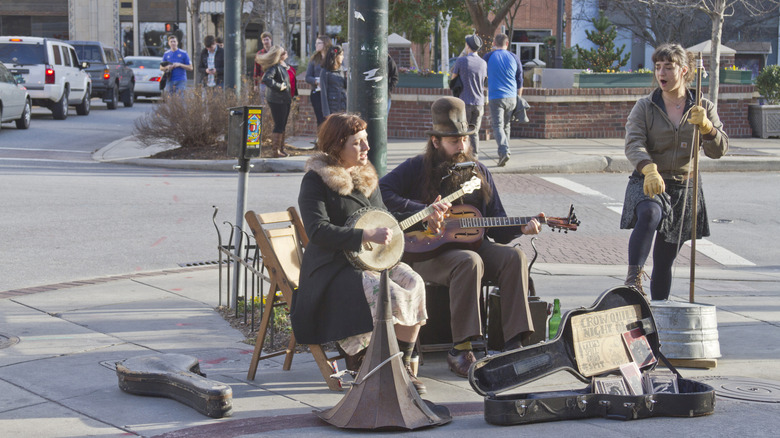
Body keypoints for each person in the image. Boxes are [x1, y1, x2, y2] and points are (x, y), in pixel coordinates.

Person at [380, 97, 543, 378]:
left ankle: (514, 343)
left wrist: (521, 229)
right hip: (425, 253)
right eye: (454, 141)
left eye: (465, 140)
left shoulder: (478, 172)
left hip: (473, 247)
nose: (461, 147)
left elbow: (497, 227)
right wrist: (423, 210)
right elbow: (382, 192)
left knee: (514, 256)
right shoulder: (416, 168)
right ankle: (461, 349)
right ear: (435, 141)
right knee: (468, 262)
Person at [292, 113, 431, 394]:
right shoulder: (316, 181)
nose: (367, 148)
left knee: (413, 282)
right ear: (336, 146)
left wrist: (426, 217)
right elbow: (317, 231)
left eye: (366, 141)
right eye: (358, 143)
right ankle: (365, 362)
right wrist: (365, 235)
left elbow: (388, 219)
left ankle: (401, 364)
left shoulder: (366, 177)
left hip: (371, 261)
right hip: (332, 269)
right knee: (383, 291)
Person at [621, 43, 728, 301]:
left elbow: (719, 149)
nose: (661, 73)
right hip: (649, 180)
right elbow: (633, 142)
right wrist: (649, 169)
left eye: (668, 67)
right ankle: (633, 280)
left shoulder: (703, 106)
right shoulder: (645, 106)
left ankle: (657, 313)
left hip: (684, 187)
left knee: (664, 261)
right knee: (649, 212)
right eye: (658, 67)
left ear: (684, 70)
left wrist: (707, 128)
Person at [484, 33, 523, 167]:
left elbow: (482, 75)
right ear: (507, 44)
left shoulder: (489, 57)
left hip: (496, 96)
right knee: (506, 125)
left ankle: (504, 150)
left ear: (494, 43)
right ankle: (506, 150)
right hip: (512, 96)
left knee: (497, 126)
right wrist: (519, 97)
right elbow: (520, 80)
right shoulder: (514, 57)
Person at [451, 34, 487, 159]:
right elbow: (483, 80)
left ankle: (464, 156)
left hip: (464, 101)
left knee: (463, 132)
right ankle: (475, 157)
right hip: (479, 102)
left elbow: (453, 78)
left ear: (468, 46)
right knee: (474, 132)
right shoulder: (483, 63)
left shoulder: (461, 61)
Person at [257, 45, 297, 158]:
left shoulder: (284, 66)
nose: (286, 53)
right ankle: (275, 151)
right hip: (277, 99)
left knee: (282, 124)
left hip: (285, 99)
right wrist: (279, 86)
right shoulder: (274, 67)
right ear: (279, 55)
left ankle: (281, 149)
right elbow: (266, 79)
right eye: (284, 52)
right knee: (279, 124)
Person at [305, 36, 331, 126]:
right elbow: (307, 77)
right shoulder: (314, 59)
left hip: (330, 92)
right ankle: (321, 138)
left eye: (318, 43)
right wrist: (316, 81)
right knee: (320, 119)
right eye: (315, 43)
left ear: (325, 44)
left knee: (331, 119)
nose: (316, 45)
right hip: (317, 92)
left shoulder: (333, 57)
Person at [319, 45, 347, 118]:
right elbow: (323, 93)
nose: (343, 57)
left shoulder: (341, 69)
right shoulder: (325, 72)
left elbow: (345, 86)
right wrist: (326, 113)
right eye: (341, 55)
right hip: (333, 107)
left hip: (343, 105)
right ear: (335, 56)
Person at [253, 31, 273, 99]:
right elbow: (256, 69)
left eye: (267, 39)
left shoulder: (275, 52)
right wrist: (255, 84)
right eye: (264, 40)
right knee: (263, 103)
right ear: (262, 41)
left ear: (271, 39)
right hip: (263, 83)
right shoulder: (259, 54)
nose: (266, 41)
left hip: (274, 82)